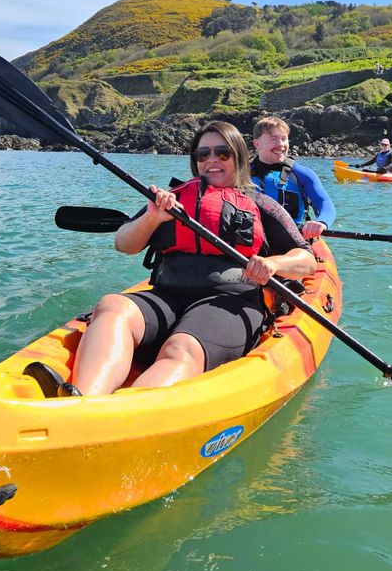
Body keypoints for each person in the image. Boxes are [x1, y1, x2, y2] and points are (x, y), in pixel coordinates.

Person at [23, 120, 316, 398]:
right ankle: (83, 398)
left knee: (181, 347)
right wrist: (152, 217)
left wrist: (274, 264)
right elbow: (124, 243)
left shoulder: (261, 204)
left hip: (231, 301)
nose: (212, 160)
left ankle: (121, 413)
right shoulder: (172, 200)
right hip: (167, 295)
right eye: (203, 154)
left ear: (238, 157)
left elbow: (307, 259)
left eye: (222, 153)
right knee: (112, 305)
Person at [250, 116, 336, 239]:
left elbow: (325, 203)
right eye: (273, 139)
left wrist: (321, 222)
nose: (280, 144)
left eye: (284, 139)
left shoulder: (303, 174)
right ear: (257, 143)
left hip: (294, 240)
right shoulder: (239, 173)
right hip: (251, 238)